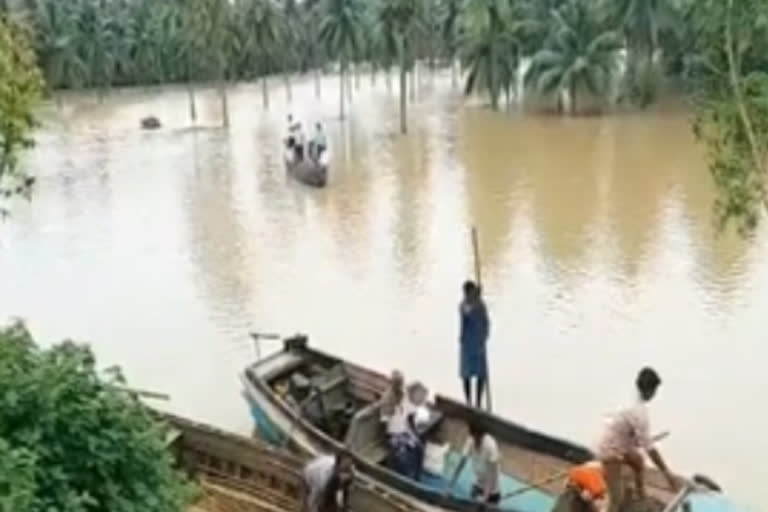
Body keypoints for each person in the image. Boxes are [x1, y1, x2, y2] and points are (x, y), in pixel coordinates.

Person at [595, 367, 678, 512]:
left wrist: (635, 440)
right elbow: (650, 449)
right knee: (616, 499)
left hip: (620, 443)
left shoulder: (629, 397)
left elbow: (630, 431)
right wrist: (666, 473)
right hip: (610, 450)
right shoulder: (639, 412)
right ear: (650, 391)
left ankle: (640, 498)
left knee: (638, 462)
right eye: (655, 391)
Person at [379, 371, 424, 480]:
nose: (400, 386)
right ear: (393, 384)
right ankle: (402, 479)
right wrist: (386, 440)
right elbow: (383, 422)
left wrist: (415, 431)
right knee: (401, 455)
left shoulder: (404, 395)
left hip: (404, 431)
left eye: (401, 383)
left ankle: (417, 476)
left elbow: (410, 415)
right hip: (393, 434)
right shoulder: (387, 399)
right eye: (397, 383)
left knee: (419, 447)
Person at [445, 422, 500, 504]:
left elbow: (492, 474)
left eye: (478, 438)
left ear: (482, 435)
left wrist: (485, 497)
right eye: (474, 437)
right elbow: (460, 465)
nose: (476, 440)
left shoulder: (491, 445)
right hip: (477, 485)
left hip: (492, 491)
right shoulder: (471, 440)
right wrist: (450, 486)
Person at [458, 280, 490, 408]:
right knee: (466, 374)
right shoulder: (463, 305)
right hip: (467, 344)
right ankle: (468, 402)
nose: (467, 295)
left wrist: (485, 337)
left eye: (469, 293)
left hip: (478, 343)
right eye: (466, 293)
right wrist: (474, 298)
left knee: (481, 374)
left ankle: (478, 403)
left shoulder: (481, 305)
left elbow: (486, 322)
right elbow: (467, 311)